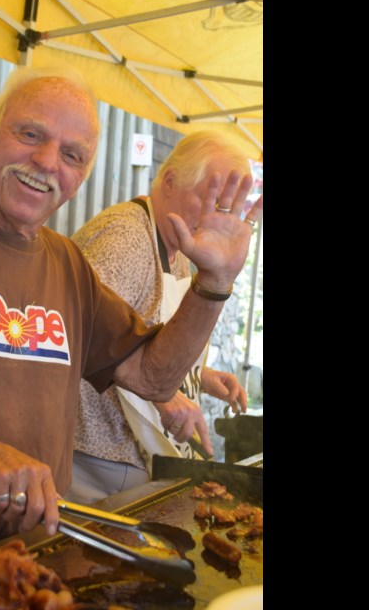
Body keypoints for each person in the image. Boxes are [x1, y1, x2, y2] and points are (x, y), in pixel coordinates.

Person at [0, 65, 263, 596]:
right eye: (30, 134)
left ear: (82, 175)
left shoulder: (68, 266)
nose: (46, 163)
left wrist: (214, 283)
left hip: (32, 554)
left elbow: (153, 379)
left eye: (72, 154)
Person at [65, 131, 254, 505]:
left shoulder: (181, 245)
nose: (221, 216)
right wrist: (164, 400)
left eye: (230, 207)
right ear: (170, 181)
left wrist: (201, 377)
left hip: (135, 452)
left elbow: (149, 332)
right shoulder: (126, 236)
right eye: (215, 198)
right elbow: (79, 330)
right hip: (98, 456)